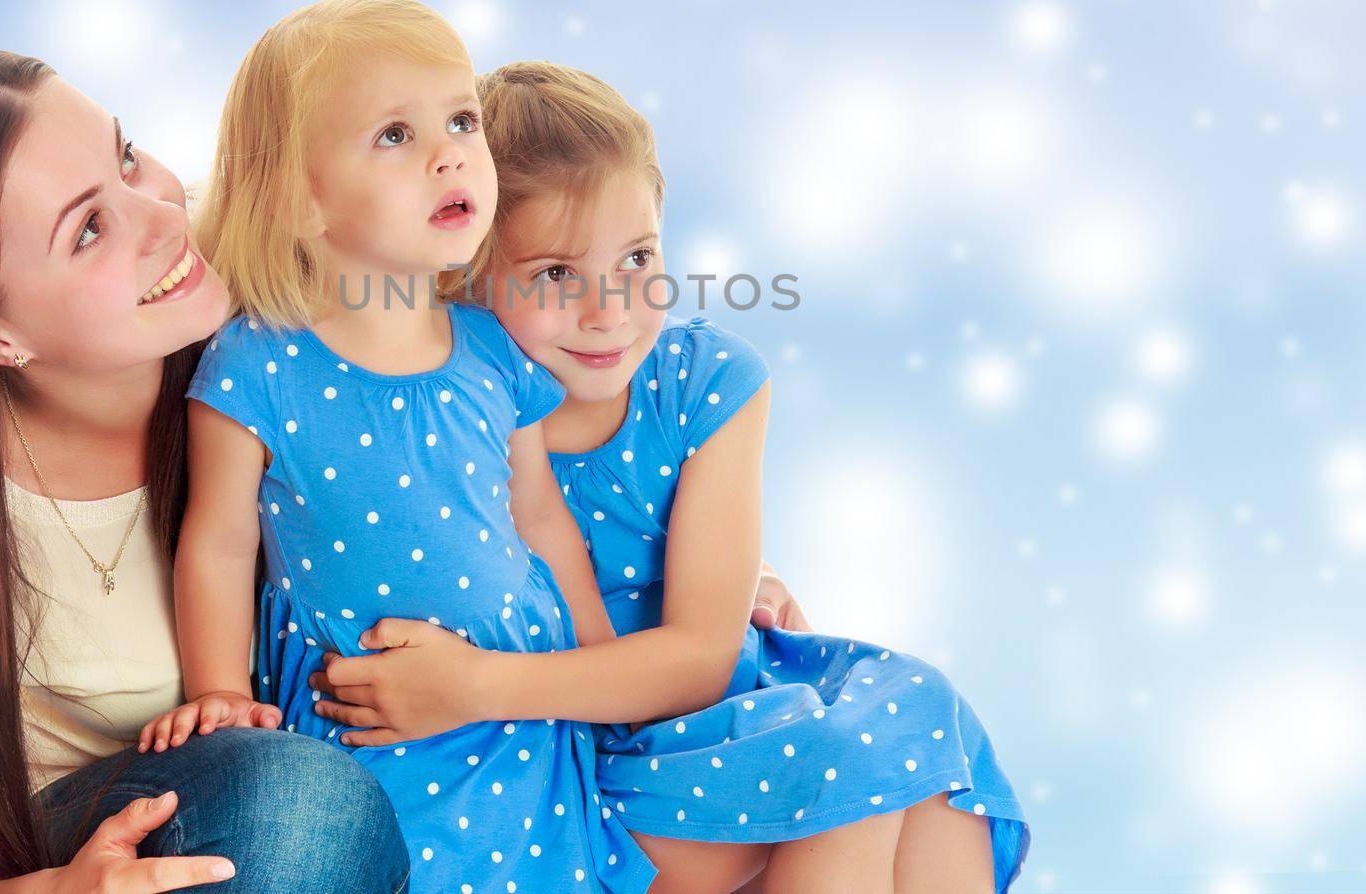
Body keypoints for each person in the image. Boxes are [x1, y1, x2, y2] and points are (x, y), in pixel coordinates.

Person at [310, 61, 1031, 891]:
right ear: (461, 271)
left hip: (709, 713)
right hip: (574, 748)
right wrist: (471, 692)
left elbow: (698, 661)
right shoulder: (453, 412)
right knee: (853, 774)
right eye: (554, 274)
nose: (609, 309)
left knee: (911, 721)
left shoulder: (705, 383)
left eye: (638, 256)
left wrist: (476, 685)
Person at [0, 51, 409, 892]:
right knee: (294, 806)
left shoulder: (277, 286)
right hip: (89, 843)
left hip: (336, 794)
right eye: (89, 228)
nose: (164, 216)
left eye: (127, 156)